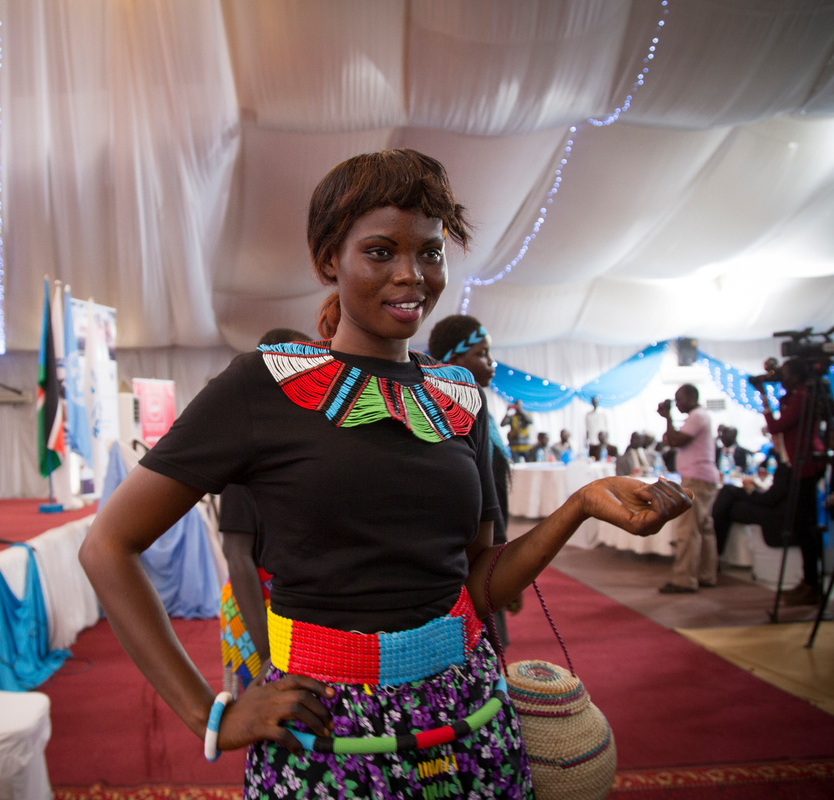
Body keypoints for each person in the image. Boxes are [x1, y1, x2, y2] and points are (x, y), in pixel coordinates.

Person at [78, 148, 690, 798]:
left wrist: (581, 504)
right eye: (380, 252)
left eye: (430, 252)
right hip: (329, 734)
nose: (411, 275)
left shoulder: (459, 398)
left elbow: (478, 581)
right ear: (327, 261)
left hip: (471, 720)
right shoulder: (261, 387)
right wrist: (211, 714)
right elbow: (107, 547)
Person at [219, 327, 310, 695]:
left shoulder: (295, 440)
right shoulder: (247, 444)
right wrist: (269, 655)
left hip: (291, 608)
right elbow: (236, 555)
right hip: (258, 611)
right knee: (264, 715)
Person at [429, 313, 519, 644]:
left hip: (489, 555)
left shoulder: (481, 412)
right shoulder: (447, 419)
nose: (491, 362)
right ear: (455, 359)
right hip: (466, 564)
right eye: (482, 353)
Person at [760, 357, 828, 606]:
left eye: (785, 374)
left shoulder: (803, 398)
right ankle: (809, 582)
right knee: (802, 527)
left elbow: (777, 426)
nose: (781, 378)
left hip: (805, 466)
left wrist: (765, 400)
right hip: (799, 466)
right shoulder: (798, 396)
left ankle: (812, 585)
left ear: (797, 377)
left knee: (805, 527)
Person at [656, 384, 720, 594]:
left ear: (693, 396)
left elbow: (674, 441)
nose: (677, 404)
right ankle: (706, 574)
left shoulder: (697, 416)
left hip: (696, 479)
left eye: (680, 399)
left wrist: (667, 418)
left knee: (688, 529)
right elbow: (670, 439)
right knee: (704, 528)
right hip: (703, 478)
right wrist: (670, 421)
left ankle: (684, 579)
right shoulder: (699, 416)